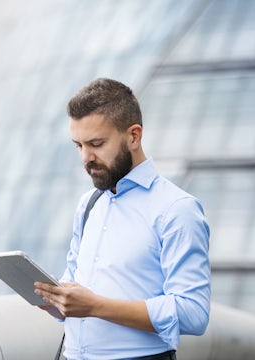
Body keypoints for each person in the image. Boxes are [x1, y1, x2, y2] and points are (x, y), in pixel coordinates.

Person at [34, 78, 211, 360]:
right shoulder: (89, 204)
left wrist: (94, 306)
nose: (85, 157)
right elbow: (75, 290)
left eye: (96, 143)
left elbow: (193, 313)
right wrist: (54, 300)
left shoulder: (177, 209)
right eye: (78, 145)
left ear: (133, 136)